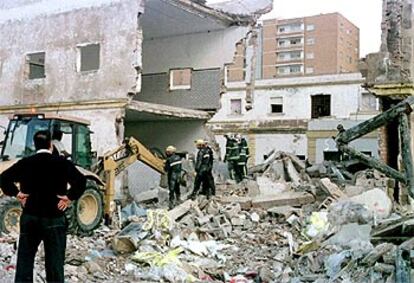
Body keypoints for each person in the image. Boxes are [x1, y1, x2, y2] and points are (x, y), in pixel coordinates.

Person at [0, 130, 86, 283]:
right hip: (54, 218)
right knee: (55, 263)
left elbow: (4, 178)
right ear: (51, 145)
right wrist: (68, 197)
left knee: (25, 260)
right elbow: (80, 181)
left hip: (30, 217)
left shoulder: (25, 163)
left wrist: (17, 194)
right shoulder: (62, 163)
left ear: (35, 145)